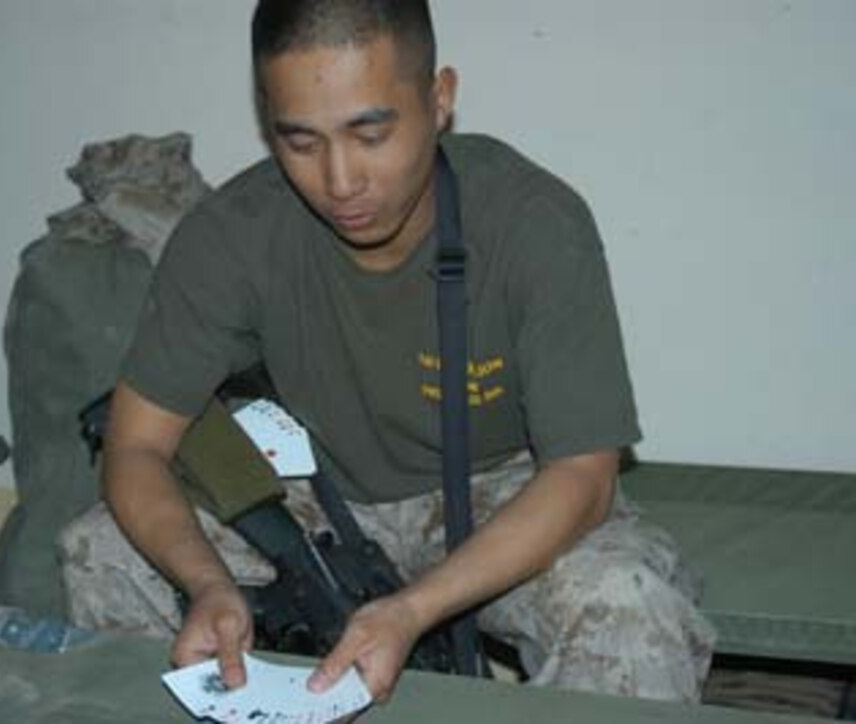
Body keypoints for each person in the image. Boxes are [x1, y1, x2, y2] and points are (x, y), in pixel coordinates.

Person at [101, 0, 715, 707]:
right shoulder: (231, 235)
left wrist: (412, 610)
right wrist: (206, 583)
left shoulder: (534, 222)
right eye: (300, 142)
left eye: (371, 134)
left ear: (439, 98)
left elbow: (583, 475)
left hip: (499, 488)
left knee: (628, 604)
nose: (340, 181)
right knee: (104, 554)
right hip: (318, 492)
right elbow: (134, 447)